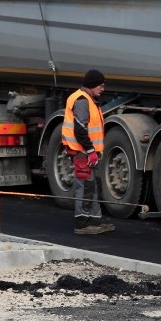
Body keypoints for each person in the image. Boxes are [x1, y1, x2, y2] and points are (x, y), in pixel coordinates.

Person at [61, 69, 115, 235]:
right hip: (82, 152)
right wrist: (91, 150)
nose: (102, 89)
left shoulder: (89, 99)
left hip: (86, 152)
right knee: (85, 186)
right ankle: (82, 224)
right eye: (101, 85)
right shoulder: (83, 100)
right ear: (92, 85)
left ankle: (94, 221)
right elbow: (80, 129)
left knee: (92, 186)